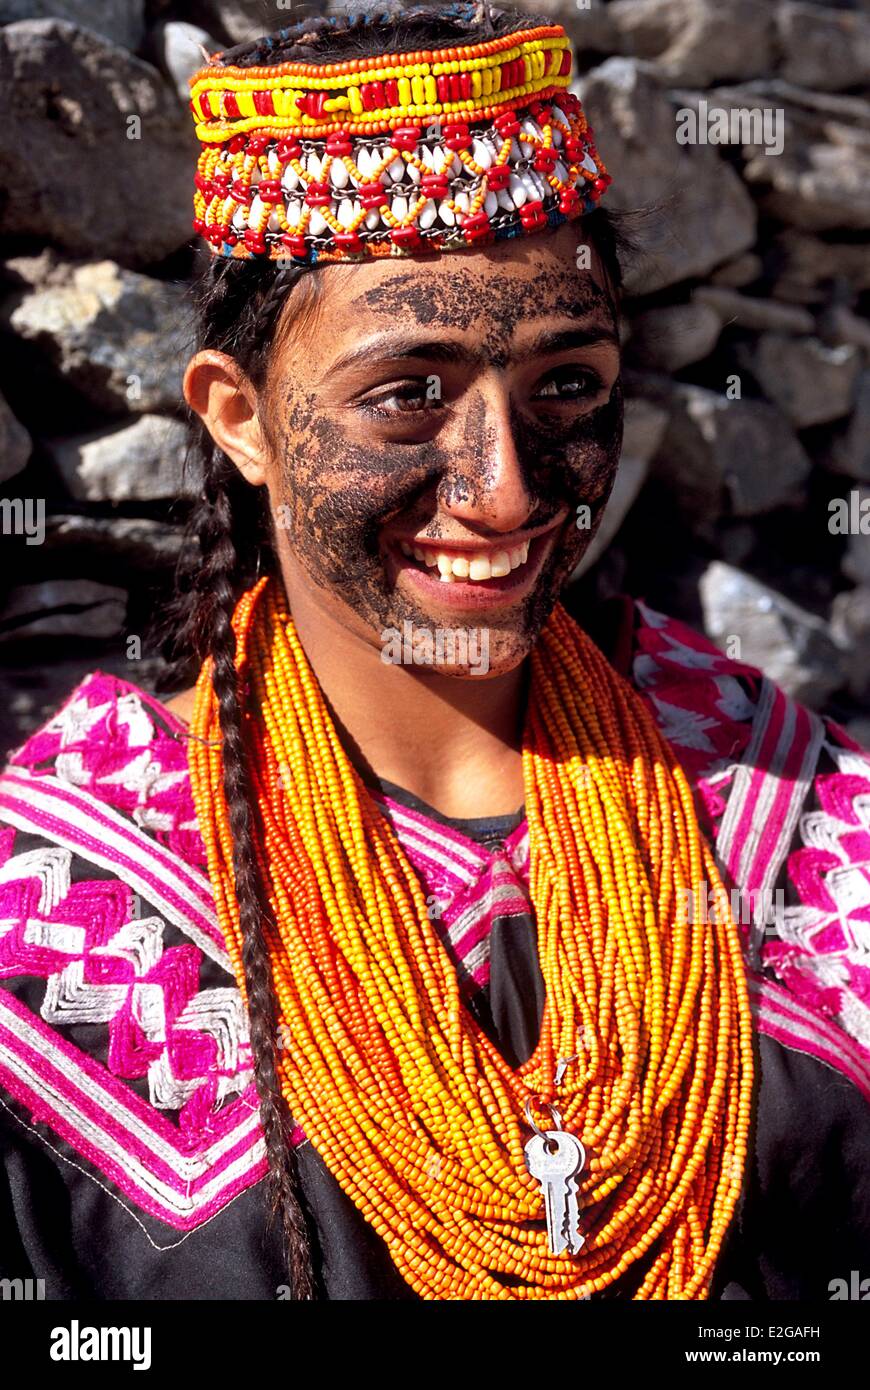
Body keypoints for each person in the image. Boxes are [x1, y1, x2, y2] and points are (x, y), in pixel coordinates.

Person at [0, 2, 867, 1302]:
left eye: (565, 384)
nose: (508, 489)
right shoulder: (44, 907)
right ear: (239, 418)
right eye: (407, 393)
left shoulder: (793, 811)